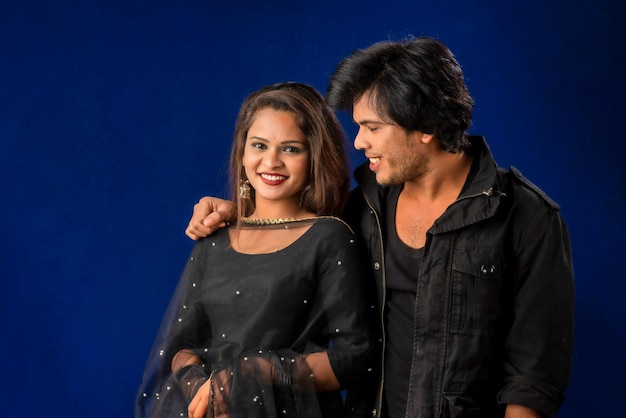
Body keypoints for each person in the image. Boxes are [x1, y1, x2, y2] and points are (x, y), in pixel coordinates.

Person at [185, 37, 575, 418]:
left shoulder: (526, 217)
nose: (357, 142)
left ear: (424, 125)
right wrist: (238, 211)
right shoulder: (363, 207)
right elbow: (299, 230)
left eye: (372, 127)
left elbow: (534, 375)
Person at [136, 82, 374, 418]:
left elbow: (356, 358)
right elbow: (181, 346)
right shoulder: (215, 238)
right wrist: (204, 389)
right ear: (243, 153)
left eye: (290, 149)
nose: (271, 161)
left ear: (315, 157)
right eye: (259, 145)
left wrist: (249, 375)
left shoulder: (329, 237)